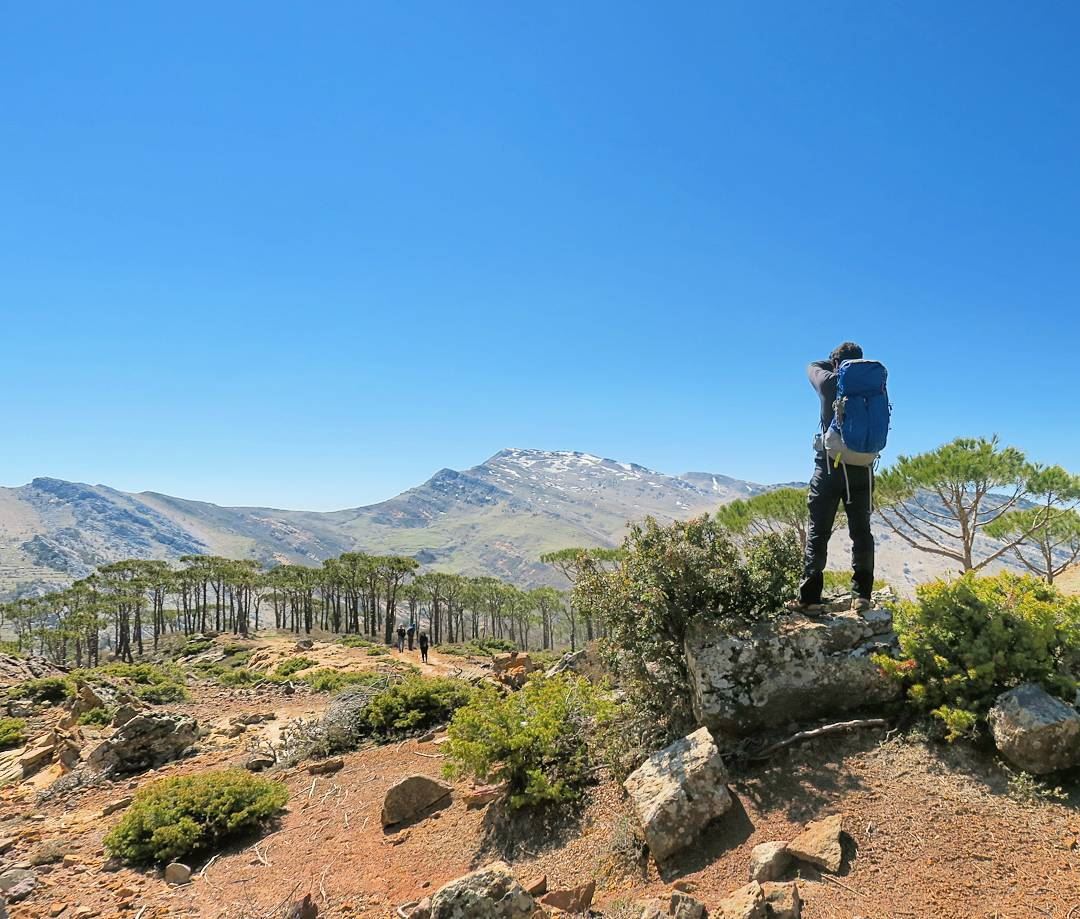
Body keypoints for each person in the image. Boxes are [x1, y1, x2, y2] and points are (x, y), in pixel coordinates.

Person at [788, 341, 877, 614]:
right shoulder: (874, 385)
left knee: (818, 531)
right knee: (861, 532)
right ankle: (861, 595)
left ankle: (810, 599)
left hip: (829, 468)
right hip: (863, 468)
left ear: (836, 363)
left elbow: (810, 367)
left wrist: (834, 364)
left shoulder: (829, 381)